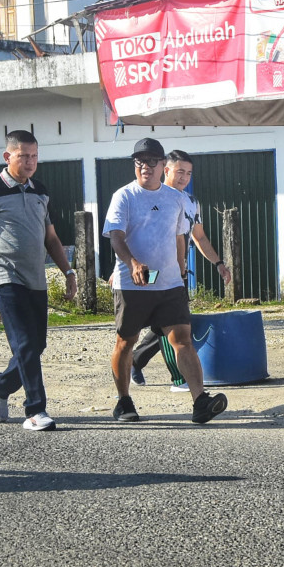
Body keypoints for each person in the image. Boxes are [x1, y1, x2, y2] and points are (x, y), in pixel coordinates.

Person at [0, 130, 76, 432]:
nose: (30, 162)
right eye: (24, 156)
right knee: (24, 343)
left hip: (36, 279)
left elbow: (51, 238)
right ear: (7, 156)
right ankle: (35, 410)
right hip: (5, 278)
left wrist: (69, 272)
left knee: (36, 345)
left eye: (35, 156)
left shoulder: (41, 190)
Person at [103, 137, 227, 424]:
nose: (145, 166)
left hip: (168, 282)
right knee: (126, 341)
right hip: (132, 282)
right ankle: (124, 402)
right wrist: (131, 262)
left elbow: (180, 238)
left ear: (161, 165)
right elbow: (116, 237)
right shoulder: (124, 196)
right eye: (139, 161)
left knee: (182, 339)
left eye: (151, 161)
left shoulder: (177, 200)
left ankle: (200, 401)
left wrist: (182, 270)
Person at [130, 149, 233, 392]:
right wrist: (125, 265)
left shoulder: (191, 202)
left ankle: (137, 361)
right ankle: (177, 378)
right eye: (179, 172)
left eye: (188, 173)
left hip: (177, 272)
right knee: (163, 323)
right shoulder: (151, 197)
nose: (184, 177)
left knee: (170, 322)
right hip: (150, 270)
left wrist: (218, 263)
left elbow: (199, 237)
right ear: (166, 170)